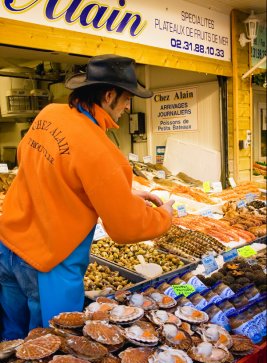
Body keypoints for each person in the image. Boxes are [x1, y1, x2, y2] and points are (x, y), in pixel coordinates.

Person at [0, 54, 174, 340]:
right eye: (127, 98)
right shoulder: (104, 153)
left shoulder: (48, 114)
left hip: (7, 246)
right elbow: (125, 227)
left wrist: (122, 191)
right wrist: (163, 216)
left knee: (10, 340)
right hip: (47, 264)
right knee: (49, 347)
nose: (129, 106)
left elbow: (35, 161)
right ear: (109, 96)